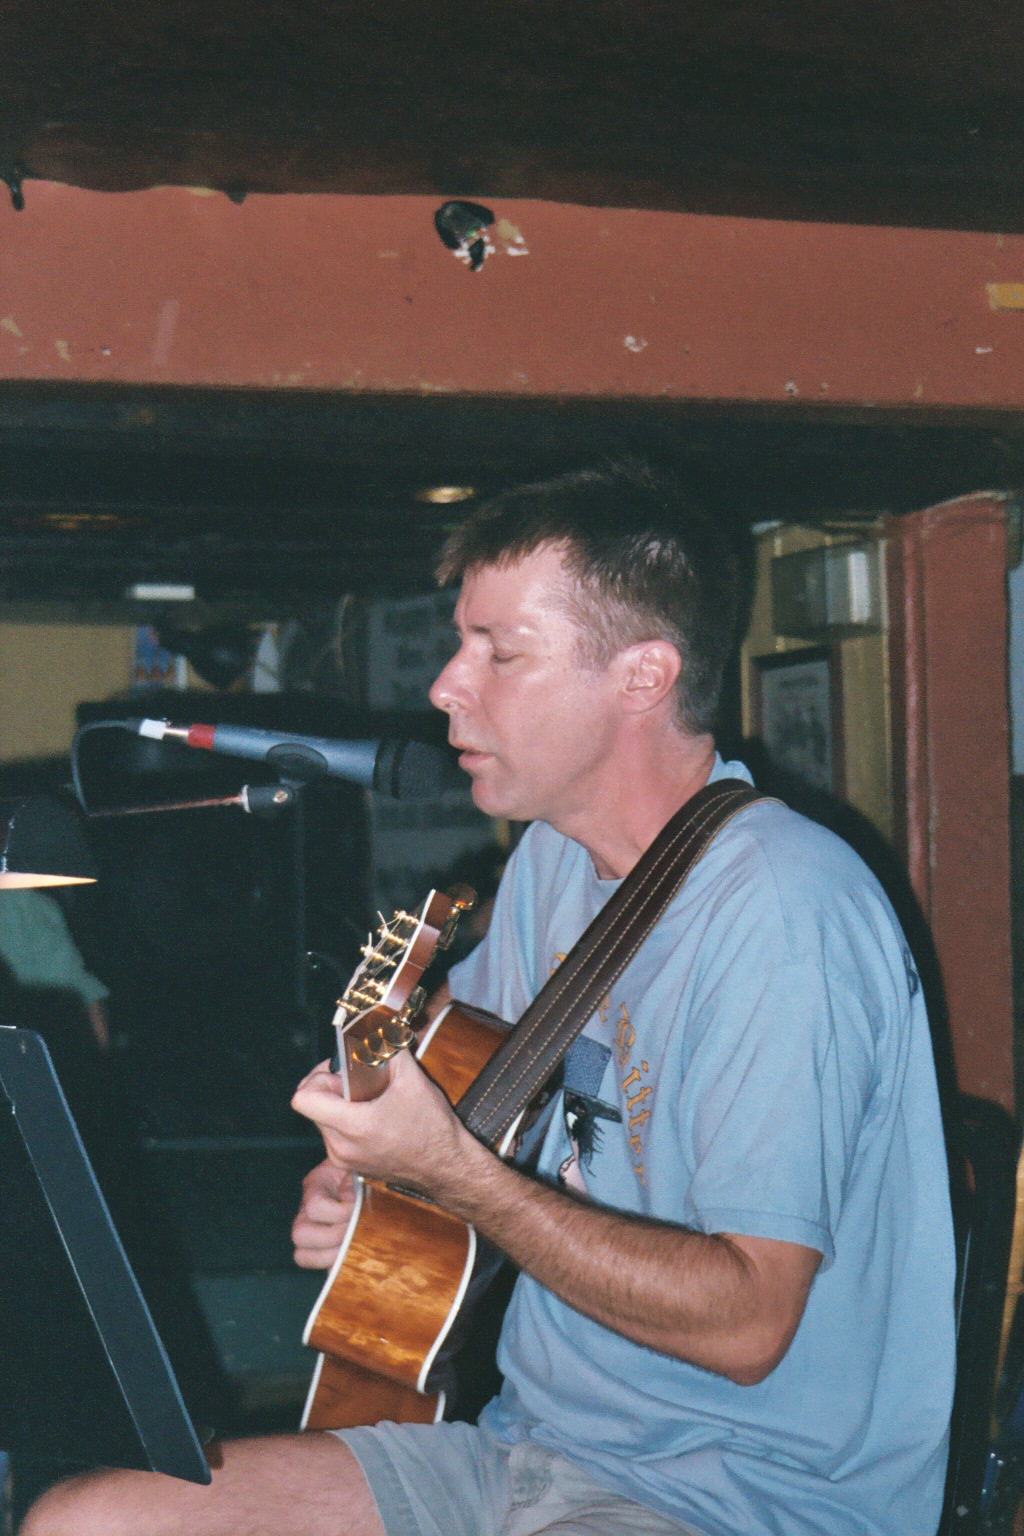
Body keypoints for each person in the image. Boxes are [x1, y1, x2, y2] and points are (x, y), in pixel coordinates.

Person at [20, 462, 956, 1536]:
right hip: (533, 1451)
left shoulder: (785, 912)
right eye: (461, 645)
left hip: (748, 1499)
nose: (445, 687)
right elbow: (457, 1082)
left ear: (642, 677)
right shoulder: (554, 865)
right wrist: (366, 1181)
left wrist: (454, 1178)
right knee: (88, 1521)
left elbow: (748, 1324)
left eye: (500, 654)